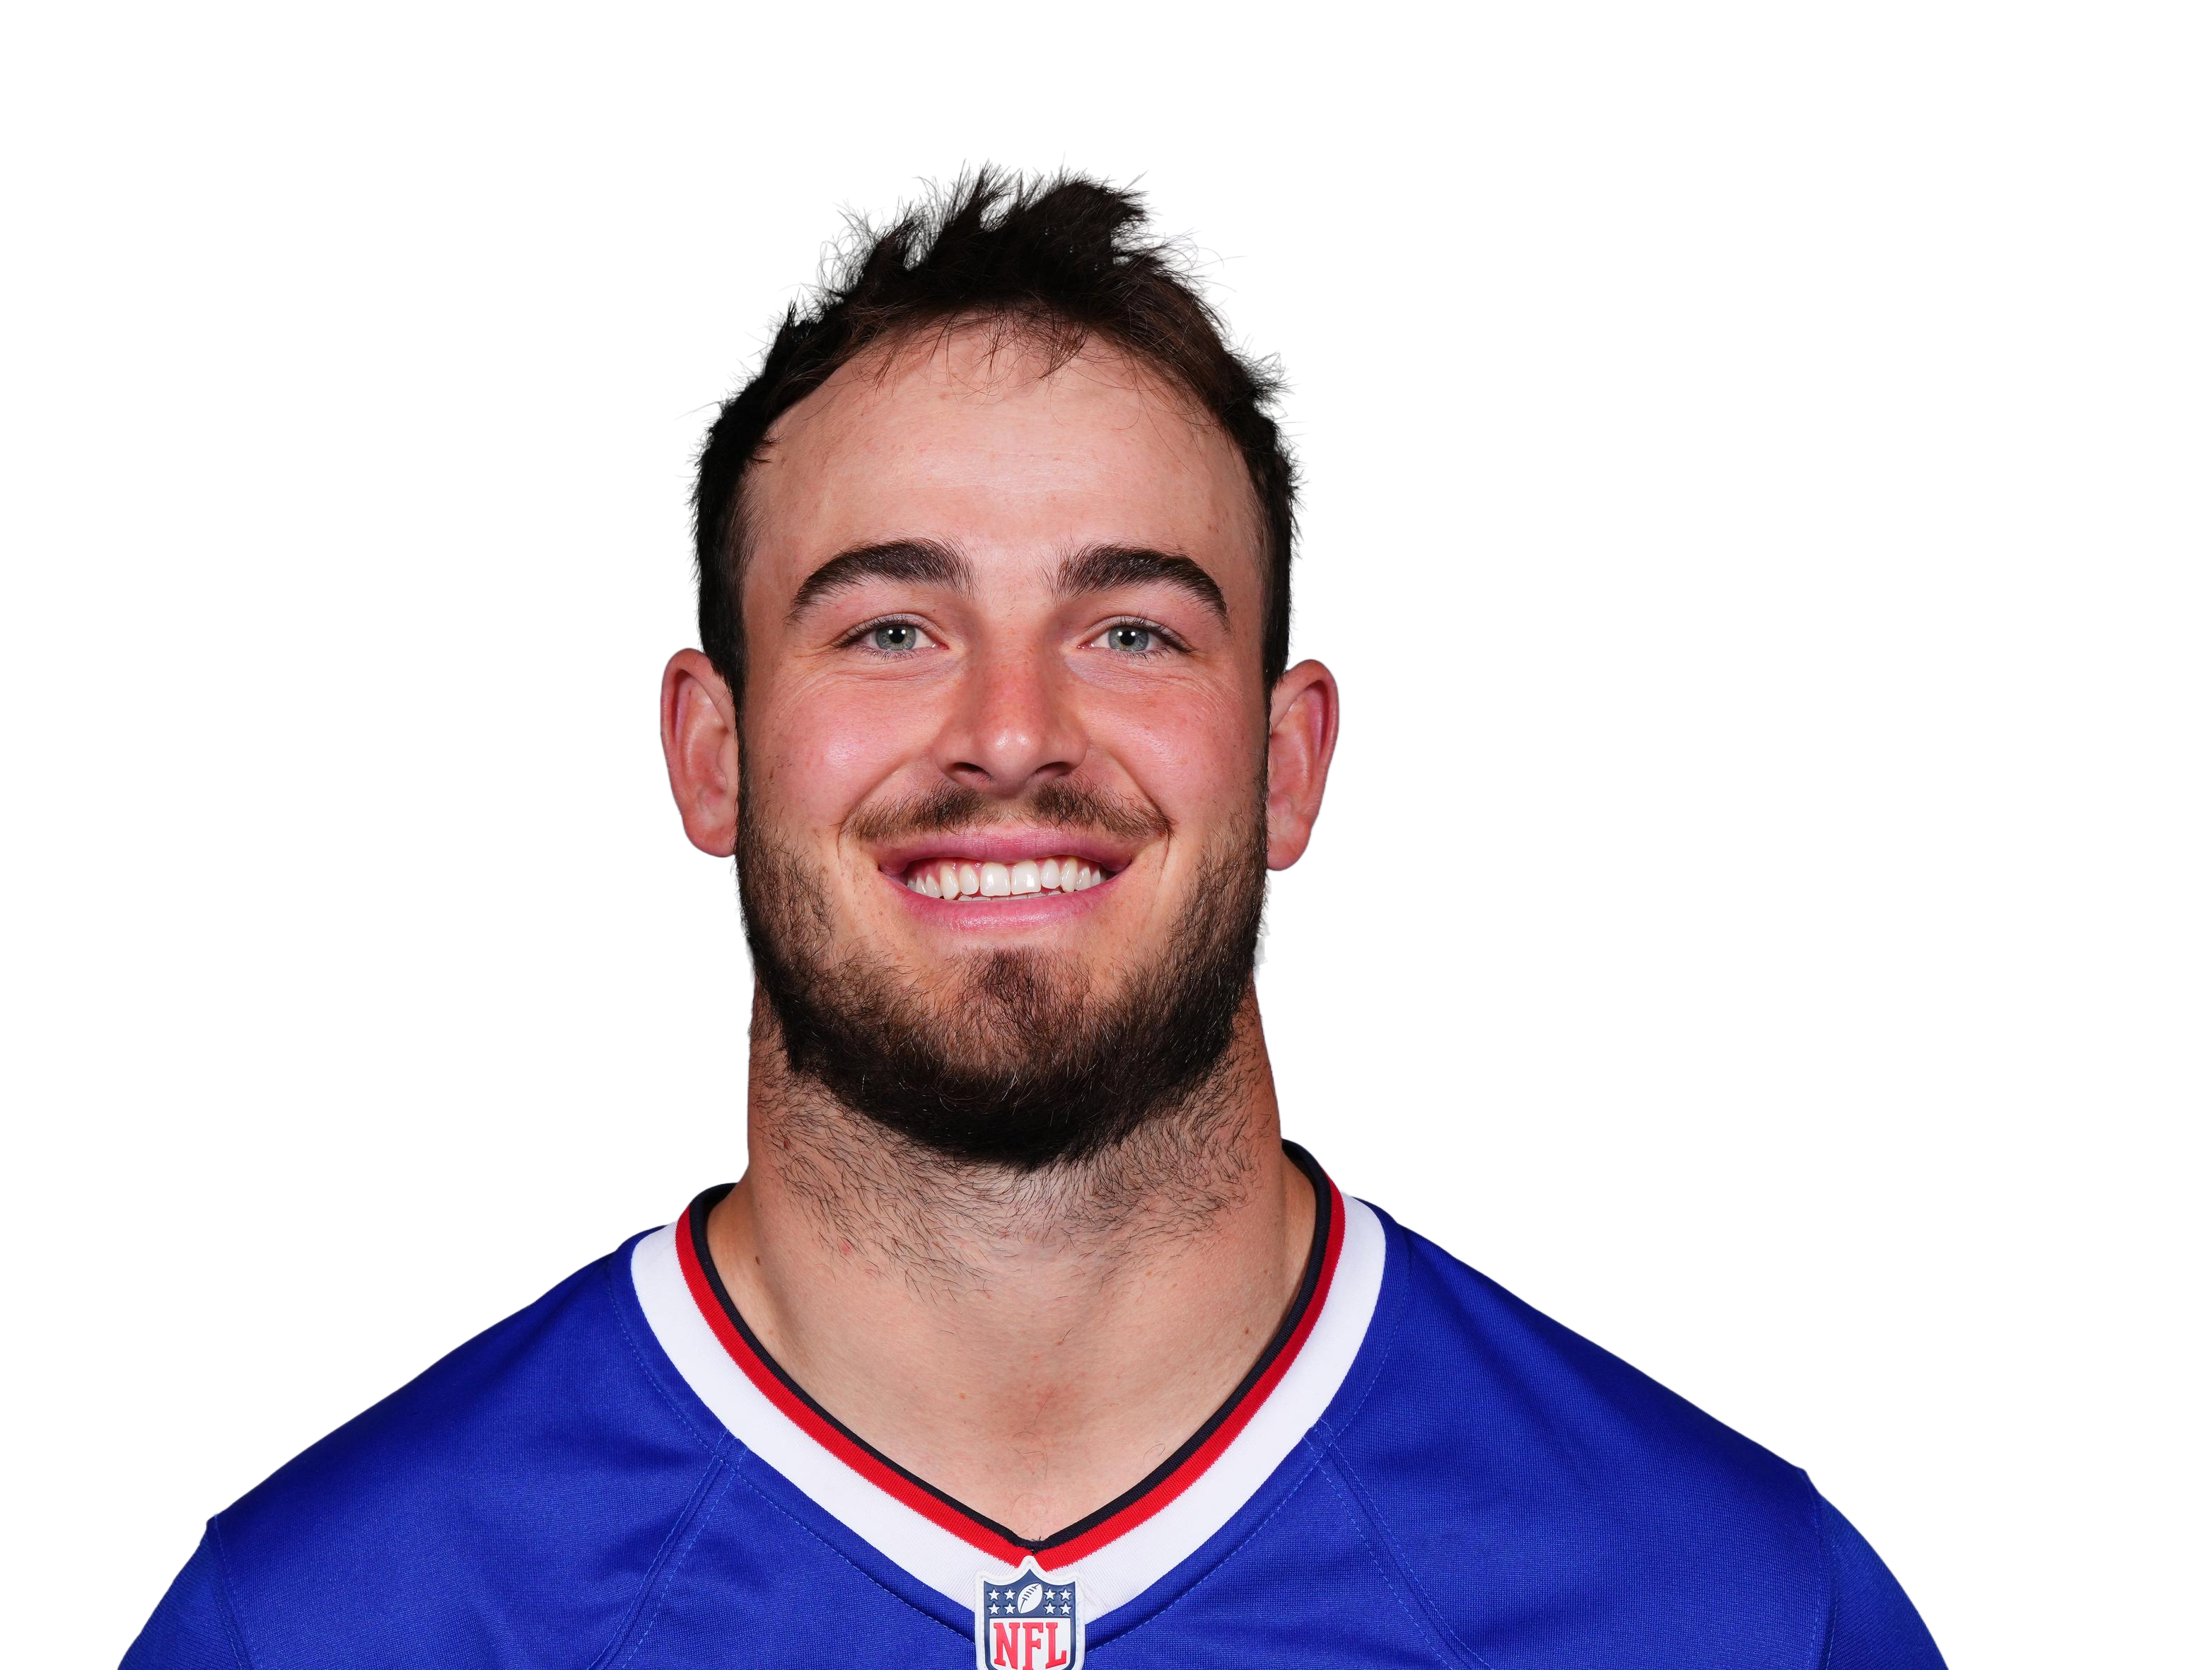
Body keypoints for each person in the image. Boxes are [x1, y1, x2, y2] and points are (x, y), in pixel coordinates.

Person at [122, 158, 1947, 1669]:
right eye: (890, 627)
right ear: (710, 754)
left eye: (1132, 627)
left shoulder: (1732, 1608)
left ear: (1291, 762)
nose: (1012, 733)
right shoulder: (320, 1624)